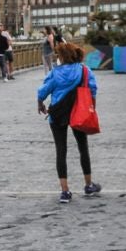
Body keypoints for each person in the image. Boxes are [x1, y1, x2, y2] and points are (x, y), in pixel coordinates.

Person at [36, 41, 101, 204]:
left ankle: (65, 191)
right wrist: (91, 108)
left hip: (58, 114)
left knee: (61, 150)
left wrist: (40, 102)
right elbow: (93, 90)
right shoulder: (84, 70)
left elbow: (43, 90)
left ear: (62, 57)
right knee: (82, 147)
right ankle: (88, 185)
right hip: (79, 112)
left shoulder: (55, 73)